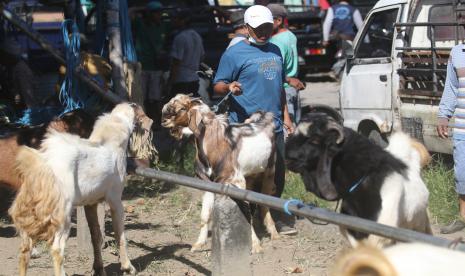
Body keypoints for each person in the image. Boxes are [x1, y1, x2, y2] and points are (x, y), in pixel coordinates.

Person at [213, 5, 295, 235]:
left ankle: (271, 215)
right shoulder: (234, 54)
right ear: (247, 27)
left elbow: (279, 88)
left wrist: (287, 116)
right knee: (245, 175)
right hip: (245, 128)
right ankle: (245, 219)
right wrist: (229, 86)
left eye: (268, 27)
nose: (263, 32)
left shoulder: (276, 50)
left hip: (274, 125)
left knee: (276, 174)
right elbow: (218, 84)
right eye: (258, 28)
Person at [437, 43, 465, 234]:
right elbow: (452, 87)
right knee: (461, 174)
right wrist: (443, 115)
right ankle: (463, 218)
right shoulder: (457, 53)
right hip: (463, 128)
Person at [131, 1, 169, 127]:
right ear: (149, 14)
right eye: (155, 12)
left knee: (155, 97)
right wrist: (140, 8)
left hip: (156, 67)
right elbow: (129, 14)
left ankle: (155, 121)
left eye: (159, 12)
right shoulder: (140, 24)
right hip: (142, 66)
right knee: (142, 97)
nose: (158, 15)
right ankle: (144, 121)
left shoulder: (162, 26)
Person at [268, 3, 305, 125]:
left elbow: (275, 69)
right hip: (292, 88)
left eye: (267, 20)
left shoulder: (276, 42)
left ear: (278, 21)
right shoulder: (290, 35)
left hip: (284, 90)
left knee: (287, 130)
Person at [167, 8, 205, 98]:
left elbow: (176, 63)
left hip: (181, 81)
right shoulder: (197, 36)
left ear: (184, 21)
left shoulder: (180, 38)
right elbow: (202, 57)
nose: (174, 20)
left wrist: (169, 83)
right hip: (194, 80)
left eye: (177, 18)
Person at [0, 38, 38, 112]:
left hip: (25, 110)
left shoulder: (21, 70)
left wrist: (31, 114)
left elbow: (28, 97)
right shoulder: (11, 68)